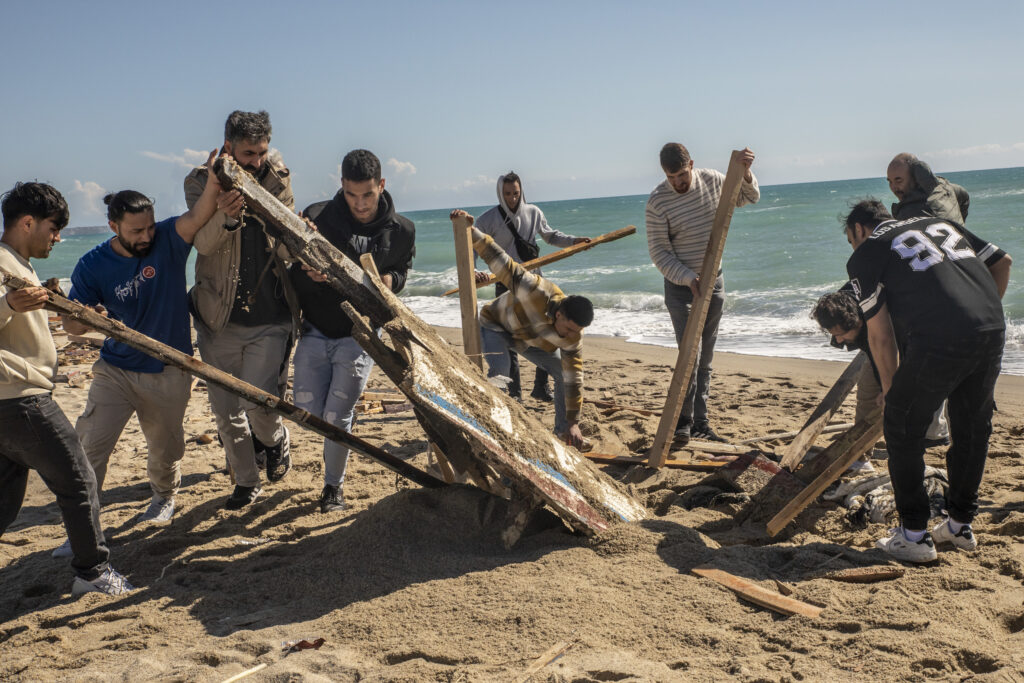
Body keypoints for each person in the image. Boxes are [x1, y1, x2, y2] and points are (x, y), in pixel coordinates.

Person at [59, 158, 228, 547]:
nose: (146, 235)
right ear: (113, 227)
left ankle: (164, 496)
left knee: (165, 447)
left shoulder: (168, 239)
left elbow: (202, 210)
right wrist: (87, 318)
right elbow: (71, 326)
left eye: (150, 225)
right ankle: (83, 529)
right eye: (137, 230)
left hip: (169, 369)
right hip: (116, 369)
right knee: (91, 447)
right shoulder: (92, 265)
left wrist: (214, 177)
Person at [842, 198, 1011, 562]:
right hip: (992, 327)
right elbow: (1002, 262)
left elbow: (880, 335)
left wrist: (890, 390)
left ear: (858, 230)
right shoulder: (939, 224)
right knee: (971, 427)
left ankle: (915, 534)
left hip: (940, 338)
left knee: (902, 429)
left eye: (851, 239)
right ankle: (959, 525)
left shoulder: (866, 252)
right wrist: (974, 318)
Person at [0, 182, 132, 596]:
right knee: (78, 479)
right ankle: (93, 572)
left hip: (14, 397)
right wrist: (7, 306)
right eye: (54, 228)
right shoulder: (1, 262)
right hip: (19, 396)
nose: (58, 238)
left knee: (4, 501)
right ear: (27, 222)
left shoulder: (18, 263)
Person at [184, 110, 299, 509]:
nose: (256, 161)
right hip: (217, 316)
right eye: (249, 153)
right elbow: (201, 243)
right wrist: (226, 216)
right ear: (229, 147)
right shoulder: (199, 181)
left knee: (260, 407)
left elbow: (286, 246)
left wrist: (299, 232)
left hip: (270, 317)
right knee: (226, 412)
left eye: (262, 152)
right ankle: (247, 482)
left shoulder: (277, 178)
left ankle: (276, 440)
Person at [290, 150, 415, 513]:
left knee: (336, 417)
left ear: (382, 185)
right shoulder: (315, 218)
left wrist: (391, 280)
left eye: (368, 194)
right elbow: (292, 270)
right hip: (315, 329)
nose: (360, 204)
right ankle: (340, 427)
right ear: (341, 187)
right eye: (351, 194)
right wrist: (306, 271)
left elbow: (403, 269)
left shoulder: (403, 230)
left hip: (361, 336)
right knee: (308, 411)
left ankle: (333, 489)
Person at [451, 209, 594, 451]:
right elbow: (500, 260)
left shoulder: (574, 334)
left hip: (525, 339)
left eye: (576, 332)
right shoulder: (535, 290)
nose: (571, 336)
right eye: (569, 329)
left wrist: (573, 422)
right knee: (501, 373)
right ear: (559, 314)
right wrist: (469, 230)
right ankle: (491, 430)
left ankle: (562, 431)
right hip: (495, 325)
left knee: (563, 370)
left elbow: (574, 378)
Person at [646, 143, 758, 445]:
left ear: (691, 165)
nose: (678, 183)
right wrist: (687, 277)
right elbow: (659, 253)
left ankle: (700, 421)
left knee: (705, 356)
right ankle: (682, 422)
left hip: (714, 282)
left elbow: (749, 197)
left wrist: (745, 174)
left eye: (682, 175)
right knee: (689, 357)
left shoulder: (713, 180)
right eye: (672, 178)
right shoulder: (657, 202)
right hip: (681, 288)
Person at [471, 172, 590, 402]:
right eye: (507, 194)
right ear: (500, 193)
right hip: (506, 283)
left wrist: (574, 241)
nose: (512, 198)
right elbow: (474, 247)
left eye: (516, 193)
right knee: (510, 336)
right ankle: (514, 394)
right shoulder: (489, 219)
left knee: (546, 332)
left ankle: (540, 386)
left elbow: (550, 236)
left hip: (534, 282)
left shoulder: (533, 212)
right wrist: (475, 271)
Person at [887, 153, 970, 223]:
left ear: (915, 178)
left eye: (899, 180)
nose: (893, 187)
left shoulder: (908, 212)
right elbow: (965, 196)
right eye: (890, 181)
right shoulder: (945, 187)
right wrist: (960, 226)